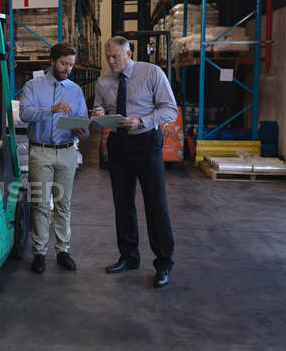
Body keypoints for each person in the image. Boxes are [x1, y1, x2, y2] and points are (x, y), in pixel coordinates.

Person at [92, 36, 177, 288]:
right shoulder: (103, 80)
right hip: (118, 144)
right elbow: (101, 112)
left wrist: (142, 121)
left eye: (115, 57)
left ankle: (163, 263)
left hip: (146, 142)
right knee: (123, 203)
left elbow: (169, 109)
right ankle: (129, 256)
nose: (110, 61)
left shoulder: (151, 73)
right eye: (107, 57)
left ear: (129, 54)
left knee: (155, 203)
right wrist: (98, 115)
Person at [19, 42, 89, 274]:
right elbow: (25, 113)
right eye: (63, 63)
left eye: (70, 65)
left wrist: (82, 130)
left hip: (68, 150)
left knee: (63, 203)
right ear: (52, 61)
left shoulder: (76, 90)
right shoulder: (32, 86)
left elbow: (84, 124)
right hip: (41, 151)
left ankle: (63, 250)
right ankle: (39, 252)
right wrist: (51, 109)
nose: (67, 68)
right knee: (40, 203)